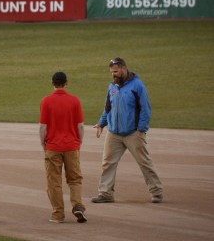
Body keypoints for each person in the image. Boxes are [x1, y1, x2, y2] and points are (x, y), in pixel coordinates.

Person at [92, 57, 163, 203]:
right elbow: (107, 108)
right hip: (114, 133)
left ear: (124, 69)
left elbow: (145, 109)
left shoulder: (137, 86)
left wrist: (141, 129)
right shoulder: (112, 87)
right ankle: (105, 194)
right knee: (107, 163)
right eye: (112, 72)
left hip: (133, 132)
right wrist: (101, 124)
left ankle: (156, 192)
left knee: (144, 162)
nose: (114, 74)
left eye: (116, 71)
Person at [39, 72, 87, 223]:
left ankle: (58, 214)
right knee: (75, 179)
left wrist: (43, 144)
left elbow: (43, 127)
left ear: (52, 82)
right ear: (66, 83)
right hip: (72, 145)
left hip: (53, 146)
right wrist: (79, 143)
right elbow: (80, 126)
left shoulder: (46, 101)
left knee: (54, 181)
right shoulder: (74, 101)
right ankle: (77, 204)